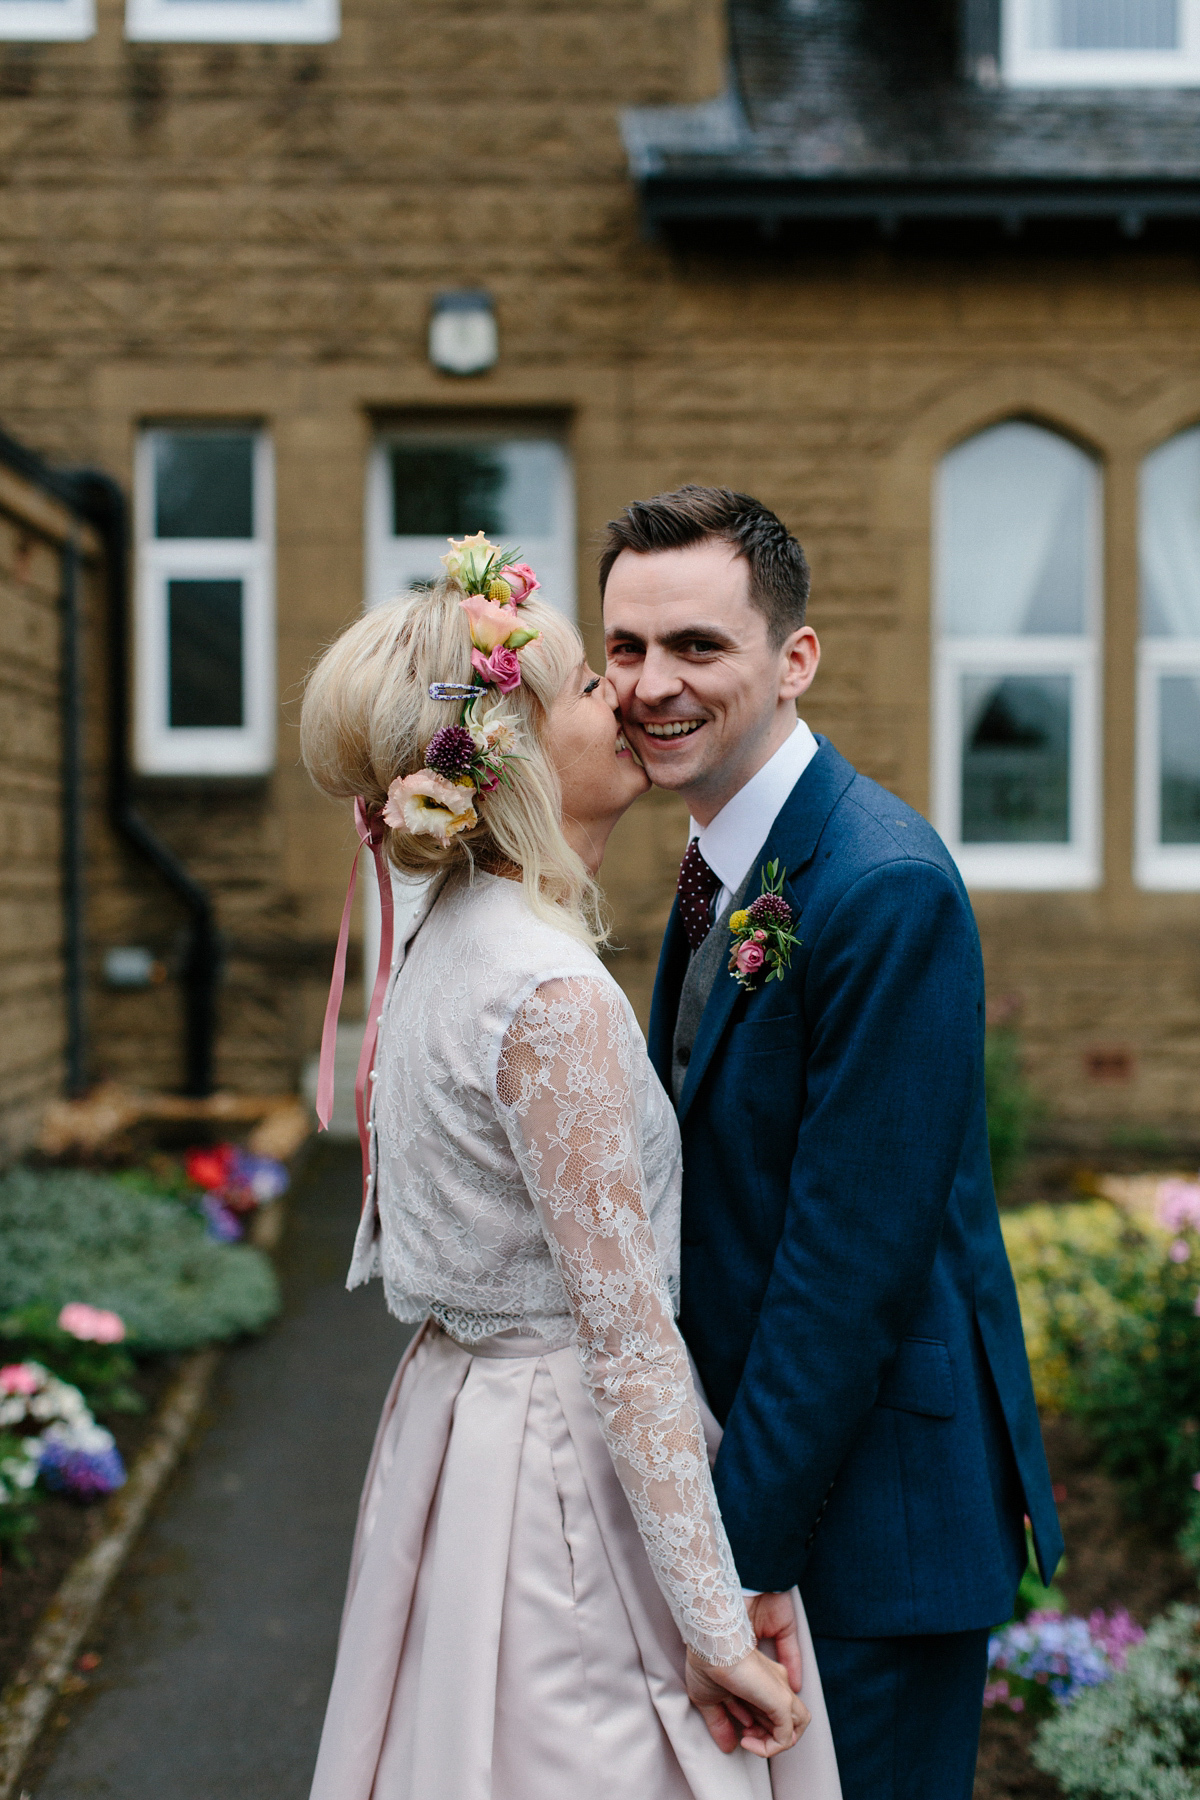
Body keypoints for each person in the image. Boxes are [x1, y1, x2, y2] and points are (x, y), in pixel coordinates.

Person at [299, 536, 838, 1800]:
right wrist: (715, 1628)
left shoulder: (447, 935)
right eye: (594, 686)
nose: (630, 699)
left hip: (455, 1430)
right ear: (522, 754)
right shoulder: (545, 992)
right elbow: (629, 1336)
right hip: (554, 1477)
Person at [600, 486, 1065, 1800]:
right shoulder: (720, 872)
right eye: (627, 649)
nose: (652, 684)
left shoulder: (880, 883)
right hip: (778, 1492)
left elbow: (844, 1269)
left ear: (795, 659)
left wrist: (734, 1564)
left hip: (869, 1526)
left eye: (699, 646)